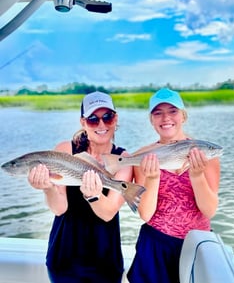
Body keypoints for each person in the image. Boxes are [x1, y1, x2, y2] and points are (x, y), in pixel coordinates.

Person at [28, 91, 133, 283]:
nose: (101, 125)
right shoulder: (65, 150)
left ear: (116, 119)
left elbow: (108, 212)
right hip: (64, 257)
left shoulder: (123, 158)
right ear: (83, 122)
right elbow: (59, 208)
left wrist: (93, 195)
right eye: (93, 119)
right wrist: (47, 187)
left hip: (106, 260)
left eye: (107, 117)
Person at [127, 88, 221, 283]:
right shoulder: (143, 156)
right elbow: (146, 214)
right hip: (155, 245)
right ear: (151, 120)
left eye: (173, 111)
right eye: (158, 113)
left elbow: (209, 210)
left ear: (183, 116)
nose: (165, 118)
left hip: (196, 244)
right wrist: (152, 178)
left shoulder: (205, 154)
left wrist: (196, 176)